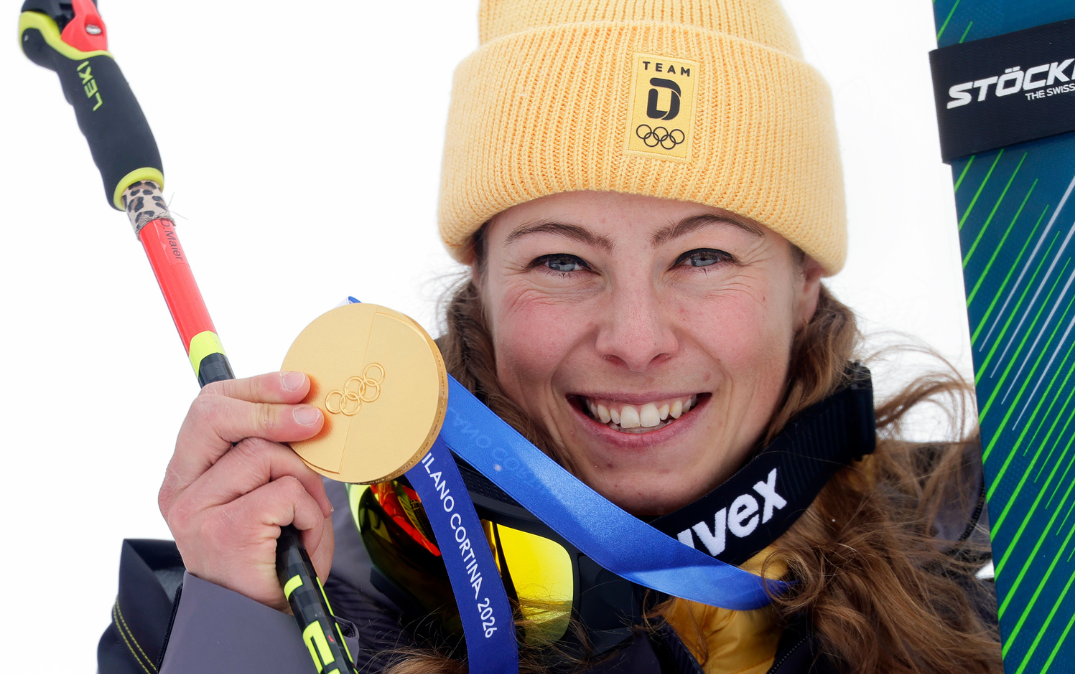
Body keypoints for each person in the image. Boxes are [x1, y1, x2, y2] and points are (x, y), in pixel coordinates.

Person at [98, 1, 1002, 673]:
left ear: (803, 283)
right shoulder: (324, 587)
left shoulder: (997, 555)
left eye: (702, 255)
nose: (636, 340)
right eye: (564, 262)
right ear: (481, 287)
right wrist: (238, 632)